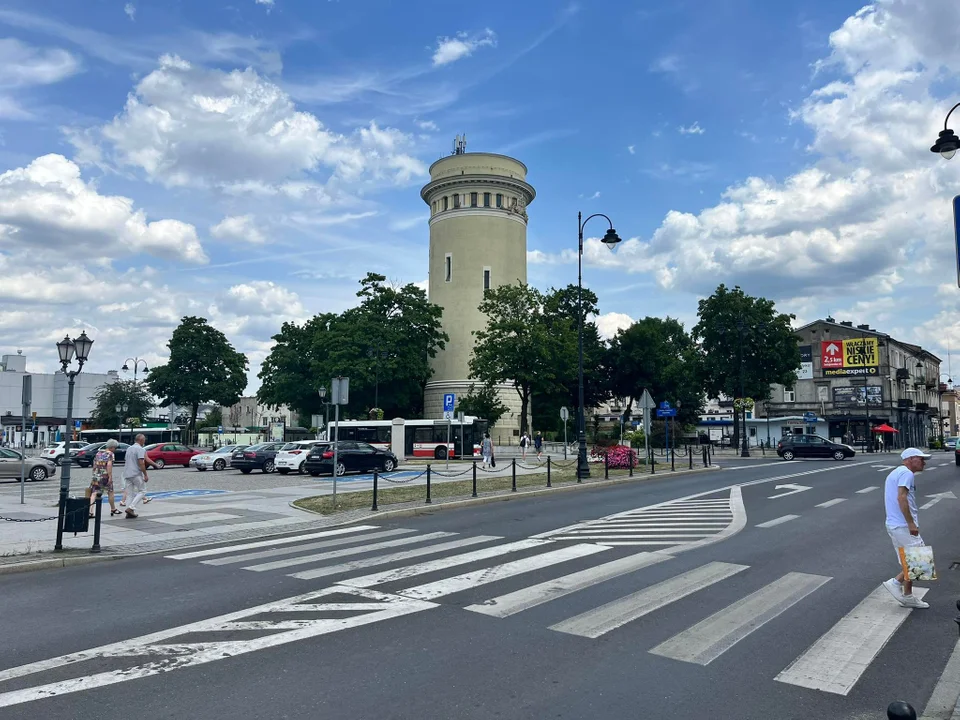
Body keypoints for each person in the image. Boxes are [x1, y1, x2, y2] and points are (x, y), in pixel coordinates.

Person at [881, 447, 931, 609]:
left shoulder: (896, 472)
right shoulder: (906, 473)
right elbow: (901, 497)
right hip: (902, 526)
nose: (924, 462)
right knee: (920, 560)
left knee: (909, 561)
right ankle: (895, 582)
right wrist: (910, 523)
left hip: (895, 525)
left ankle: (908, 595)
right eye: (921, 459)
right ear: (910, 459)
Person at [122, 433, 157, 519]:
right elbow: (141, 462)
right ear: (141, 440)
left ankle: (129, 513)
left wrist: (155, 464)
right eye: (144, 440)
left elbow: (127, 460)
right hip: (136, 473)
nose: (144, 441)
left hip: (127, 473)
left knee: (130, 494)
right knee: (142, 491)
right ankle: (131, 508)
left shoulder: (129, 448)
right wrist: (145, 474)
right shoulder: (140, 449)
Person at [89, 439, 122, 517]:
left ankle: (90, 511)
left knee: (94, 493)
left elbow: (94, 465)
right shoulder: (110, 454)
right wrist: (110, 477)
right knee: (110, 492)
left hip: (96, 475)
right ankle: (113, 508)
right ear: (112, 447)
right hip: (105, 476)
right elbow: (109, 465)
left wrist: (94, 473)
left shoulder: (98, 453)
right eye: (115, 448)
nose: (115, 449)